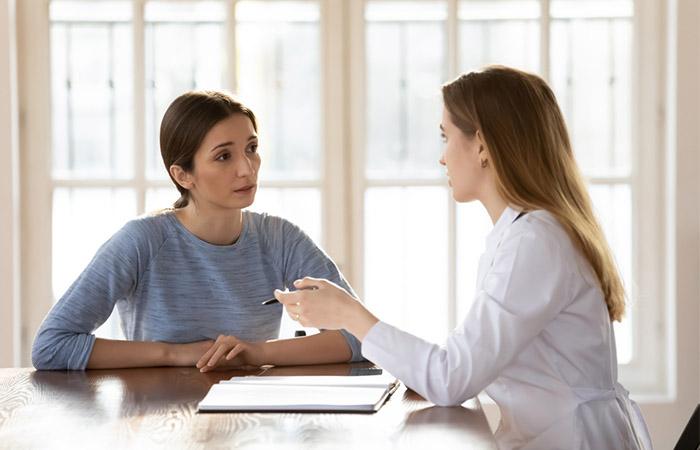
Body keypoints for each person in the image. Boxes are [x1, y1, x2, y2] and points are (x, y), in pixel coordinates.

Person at [270, 67, 651, 449]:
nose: (442, 158)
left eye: (445, 136)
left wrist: (350, 315)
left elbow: (451, 379)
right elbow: (464, 362)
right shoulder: (522, 233)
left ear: (482, 145)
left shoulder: (534, 242)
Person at [32, 91, 363, 371]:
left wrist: (256, 352)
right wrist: (177, 353)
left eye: (251, 148)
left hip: (252, 422)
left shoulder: (280, 238)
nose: (247, 168)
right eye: (223, 156)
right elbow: (51, 346)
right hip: (157, 423)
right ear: (183, 175)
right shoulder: (141, 242)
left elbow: (361, 336)